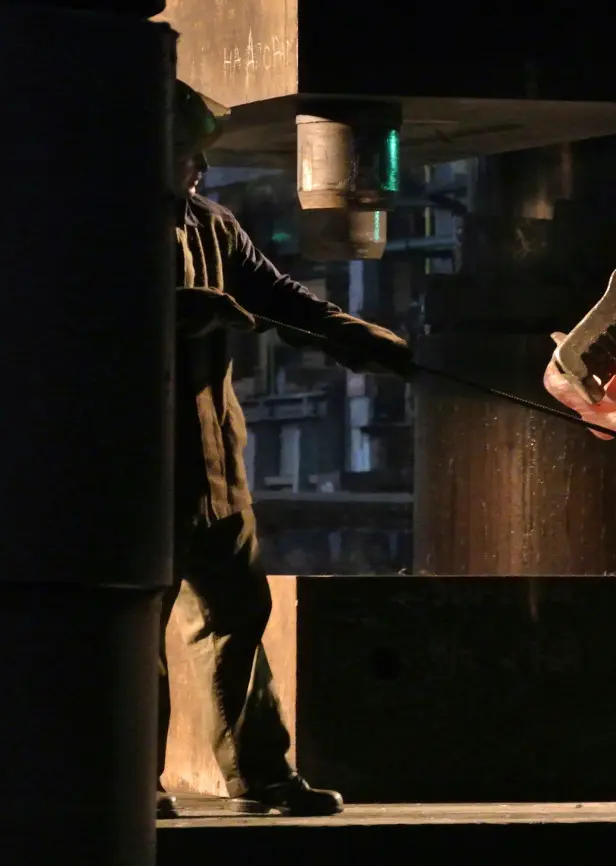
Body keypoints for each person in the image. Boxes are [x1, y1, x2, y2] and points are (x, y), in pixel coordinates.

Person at [157, 81, 416, 819]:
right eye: (183, 153)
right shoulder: (89, 231)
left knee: (237, 610)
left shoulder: (210, 226)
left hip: (211, 460)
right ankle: (123, 780)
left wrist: (351, 334)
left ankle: (260, 776)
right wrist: (177, 312)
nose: (195, 170)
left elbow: (277, 299)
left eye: (198, 156)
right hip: (126, 468)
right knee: (132, 629)